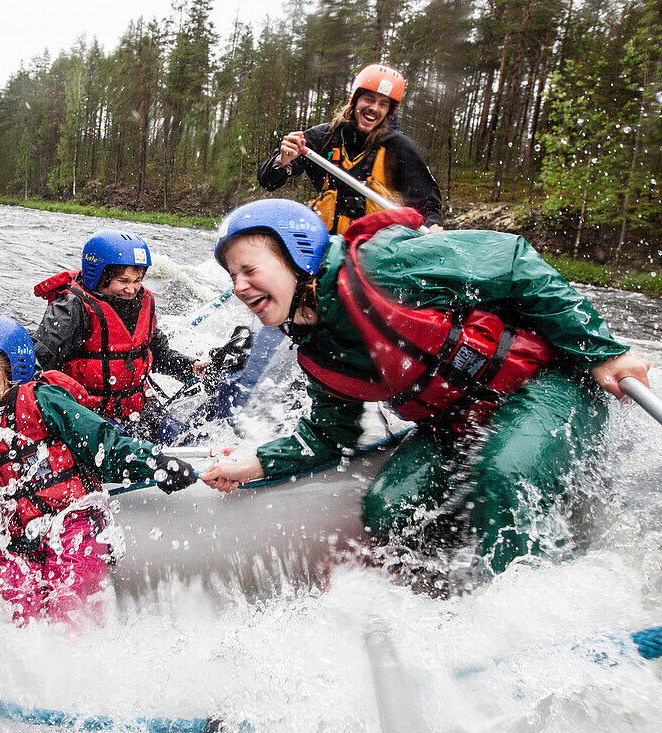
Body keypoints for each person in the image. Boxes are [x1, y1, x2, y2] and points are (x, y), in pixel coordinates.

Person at [200, 199, 650, 582]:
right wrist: (257, 465)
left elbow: (513, 260)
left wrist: (603, 351)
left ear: (297, 256)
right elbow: (327, 435)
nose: (238, 287)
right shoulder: (316, 347)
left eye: (248, 269)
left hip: (544, 383)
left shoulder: (383, 263)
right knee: (387, 510)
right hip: (456, 420)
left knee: (504, 476)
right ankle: (453, 588)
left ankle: (525, 597)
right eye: (231, 275)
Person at [0, 315, 196, 625]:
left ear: (12, 368)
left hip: (71, 522)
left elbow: (102, 444)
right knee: (13, 609)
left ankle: (80, 644)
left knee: (70, 600)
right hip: (10, 540)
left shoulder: (45, 400)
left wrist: (154, 464)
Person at [33, 229, 209, 439]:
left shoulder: (144, 303)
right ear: (99, 275)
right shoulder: (71, 309)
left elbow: (159, 355)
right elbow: (39, 366)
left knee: (186, 439)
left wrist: (191, 366)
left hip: (139, 406)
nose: (132, 289)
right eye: (123, 281)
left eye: (137, 280)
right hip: (91, 413)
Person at [258, 63, 444, 235]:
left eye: (383, 104)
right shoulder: (324, 137)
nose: (373, 108)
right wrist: (282, 162)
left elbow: (428, 202)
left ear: (389, 112)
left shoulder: (400, 148)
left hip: (376, 249)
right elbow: (268, 182)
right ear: (354, 100)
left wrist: (432, 225)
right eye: (368, 100)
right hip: (327, 244)